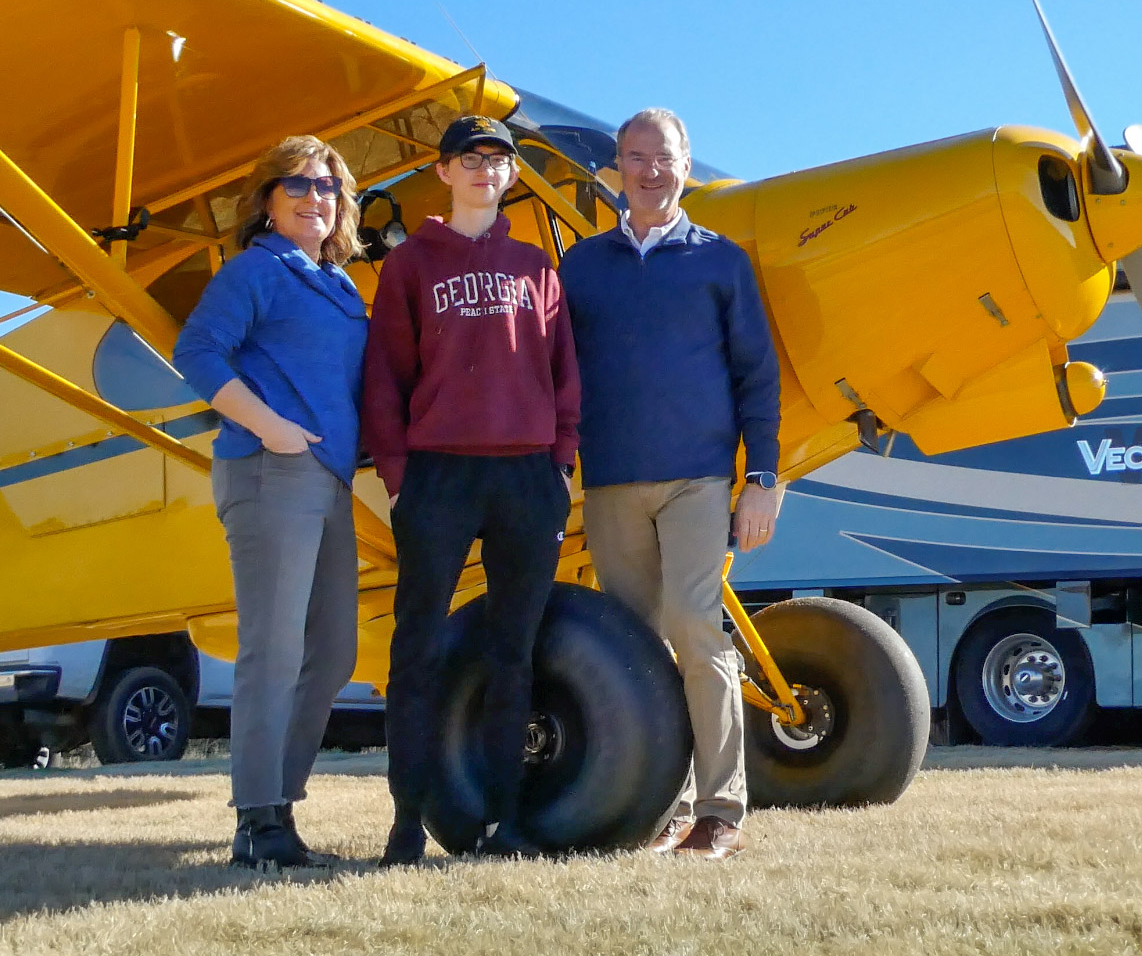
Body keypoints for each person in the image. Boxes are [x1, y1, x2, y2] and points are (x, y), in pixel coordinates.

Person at [559, 108, 781, 861]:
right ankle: (663, 805)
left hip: (699, 479)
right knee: (635, 642)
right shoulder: (582, 267)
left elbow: (758, 374)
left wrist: (766, 479)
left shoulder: (721, 261)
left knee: (693, 623)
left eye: (664, 157)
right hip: (612, 481)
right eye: (635, 157)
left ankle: (721, 810)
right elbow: (556, 376)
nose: (650, 171)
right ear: (617, 167)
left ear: (688, 165)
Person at [361, 115, 580, 863]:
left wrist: (560, 465)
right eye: (469, 157)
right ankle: (405, 822)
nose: (485, 168)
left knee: (511, 652)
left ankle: (504, 822)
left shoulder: (537, 268)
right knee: (418, 646)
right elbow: (385, 379)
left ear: (512, 174)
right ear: (445, 172)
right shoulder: (410, 265)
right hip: (439, 474)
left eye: (498, 158)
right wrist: (398, 478)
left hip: (526, 476)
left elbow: (563, 377)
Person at [173, 135, 368, 870]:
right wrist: (271, 426)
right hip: (270, 471)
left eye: (327, 186)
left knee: (333, 652)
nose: (314, 196)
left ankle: (278, 805)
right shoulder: (257, 269)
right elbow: (197, 351)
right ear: (267, 201)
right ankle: (258, 820)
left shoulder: (339, 286)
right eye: (298, 185)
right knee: (275, 649)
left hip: (329, 479)